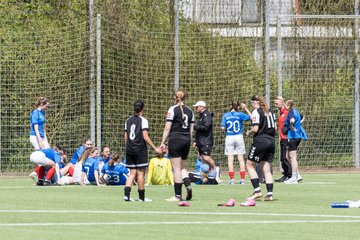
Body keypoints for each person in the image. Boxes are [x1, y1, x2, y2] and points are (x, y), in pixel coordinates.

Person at [123, 100, 162, 202]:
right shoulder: (143, 120)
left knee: (132, 173)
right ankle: (141, 197)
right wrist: (155, 148)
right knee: (140, 174)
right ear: (142, 109)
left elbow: (126, 137)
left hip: (130, 149)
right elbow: (145, 136)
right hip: (139, 149)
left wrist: (128, 147)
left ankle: (126, 195)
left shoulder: (128, 120)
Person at [160, 90, 194, 202]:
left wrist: (163, 142)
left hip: (176, 139)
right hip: (186, 140)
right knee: (182, 167)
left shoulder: (172, 109)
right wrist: (188, 140)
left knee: (176, 169)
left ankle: (177, 196)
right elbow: (191, 130)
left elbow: (167, 128)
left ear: (175, 98)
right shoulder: (190, 111)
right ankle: (188, 185)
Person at [241, 95, 276, 204]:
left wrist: (249, 132)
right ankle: (270, 194)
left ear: (255, 103)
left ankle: (257, 191)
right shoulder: (271, 112)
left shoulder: (257, 111)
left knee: (249, 165)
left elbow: (255, 128)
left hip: (261, 141)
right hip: (271, 141)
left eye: (252, 103)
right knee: (266, 167)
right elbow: (274, 127)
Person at [221, 101, 251, 185]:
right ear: (238, 107)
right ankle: (242, 180)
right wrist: (246, 108)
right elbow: (251, 117)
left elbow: (223, 128)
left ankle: (232, 180)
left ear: (230, 106)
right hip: (239, 136)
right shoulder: (240, 114)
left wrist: (225, 129)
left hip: (229, 137)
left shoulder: (226, 115)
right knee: (241, 159)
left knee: (230, 159)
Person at [192, 100, 220, 182]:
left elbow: (206, 127)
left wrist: (195, 127)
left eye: (197, 107)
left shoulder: (207, 115)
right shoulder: (201, 116)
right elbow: (199, 130)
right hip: (201, 141)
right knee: (203, 160)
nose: (196, 108)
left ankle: (216, 170)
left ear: (202, 107)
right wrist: (195, 141)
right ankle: (206, 177)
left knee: (206, 158)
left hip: (206, 141)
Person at [283, 99, 307, 184]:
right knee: (287, 156)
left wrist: (291, 126)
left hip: (293, 136)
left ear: (289, 105)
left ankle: (294, 177)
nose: (284, 106)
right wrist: (299, 124)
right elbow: (303, 117)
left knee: (292, 158)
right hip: (297, 136)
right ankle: (297, 174)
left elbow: (292, 120)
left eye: (285, 105)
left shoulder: (291, 113)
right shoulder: (296, 111)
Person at [29, 97, 50, 182]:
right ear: (41, 104)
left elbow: (43, 127)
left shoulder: (43, 113)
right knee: (41, 156)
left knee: (48, 153)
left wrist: (46, 140)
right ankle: (38, 176)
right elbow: (36, 128)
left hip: (42, 137)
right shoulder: (35, 113)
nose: (47, 108)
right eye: (47, 106)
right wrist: (40, 140)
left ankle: (36, 174)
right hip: (35, 137)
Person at [274, 96, 292, 182]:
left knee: (285, 158)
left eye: (277, 101)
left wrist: (291, 129)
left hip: (287, 138)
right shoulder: (281, 113)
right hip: (282, 138)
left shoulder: (287, 112)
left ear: (282, 102)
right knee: (283, 158)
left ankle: (290, 175)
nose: (275, 103)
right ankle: (285, 175)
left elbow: (298, 118)